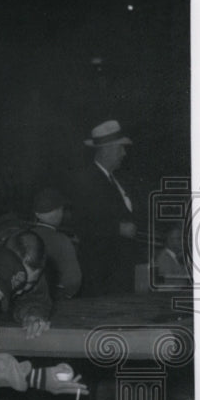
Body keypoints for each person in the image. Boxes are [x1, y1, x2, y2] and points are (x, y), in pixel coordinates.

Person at [65, 120, 138, 295]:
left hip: (116, 272)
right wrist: (117, 229)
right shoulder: (87, 181)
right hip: (101, 275)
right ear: (107, 150)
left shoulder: (112, 180)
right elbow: (80, 223)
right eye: (120, 148)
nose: (124, 153)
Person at [30, 187, 82, 300]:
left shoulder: (24, 235)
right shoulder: (62, 240)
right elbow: (73, 281)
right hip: (56, 302)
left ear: (36, 214)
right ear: (60, 212)